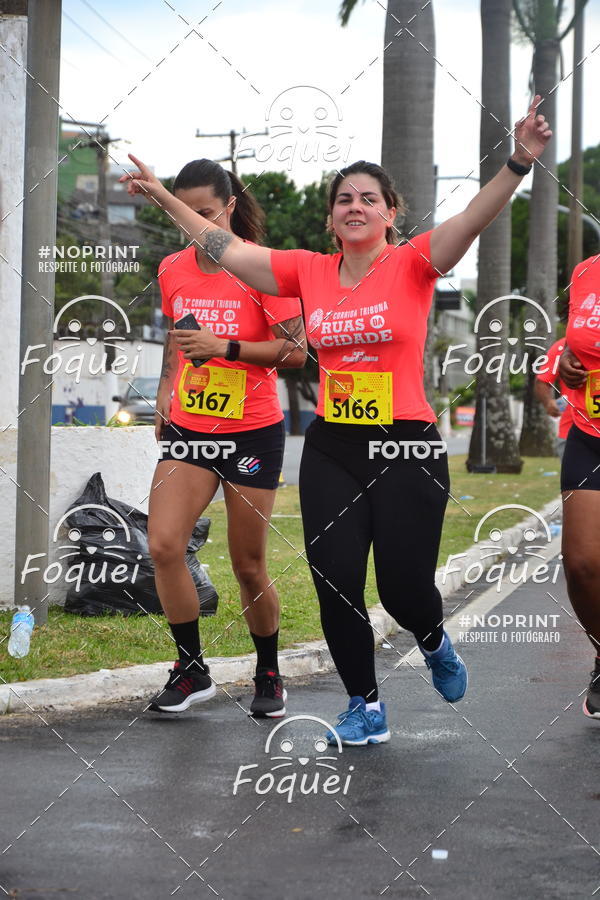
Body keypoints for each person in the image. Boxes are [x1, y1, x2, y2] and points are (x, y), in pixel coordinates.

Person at [123, 96, 551, 745]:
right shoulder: (308, 271)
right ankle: (365, 707)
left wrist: (517, 160)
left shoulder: (414, 263)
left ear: (390, 213)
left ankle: (432, 639)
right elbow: (219, 243)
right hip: (334, 446)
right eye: (343, 197)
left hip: (406, 444)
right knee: (336, 581)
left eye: (367, 197)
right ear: (331, 216)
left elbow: (473, 216)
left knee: (405, 590)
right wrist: (159, 195)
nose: (355, 204)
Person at [145, 159, 306, 717]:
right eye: (183, 212)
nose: (193, 223)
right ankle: (192, 671)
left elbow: (295, 351)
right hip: (191, 426)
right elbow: (176, 333)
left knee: (247, 565)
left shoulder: (264, 271)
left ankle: (268, 671)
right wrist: (167, 390)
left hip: (252, 431)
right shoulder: (171, 268)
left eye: (204, 213)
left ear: (229, 207)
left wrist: (226, 348)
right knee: (163, 545)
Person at [557, 255, 600, 719]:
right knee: (583, 565)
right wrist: (570, 360)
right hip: (590, 436)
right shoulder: (587, 270)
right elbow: (577, 344)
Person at [534, 338, 573, 460]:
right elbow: (542, 381)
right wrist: (549, 403)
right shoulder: (564, 346)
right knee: (579, 479)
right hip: (572, 431)